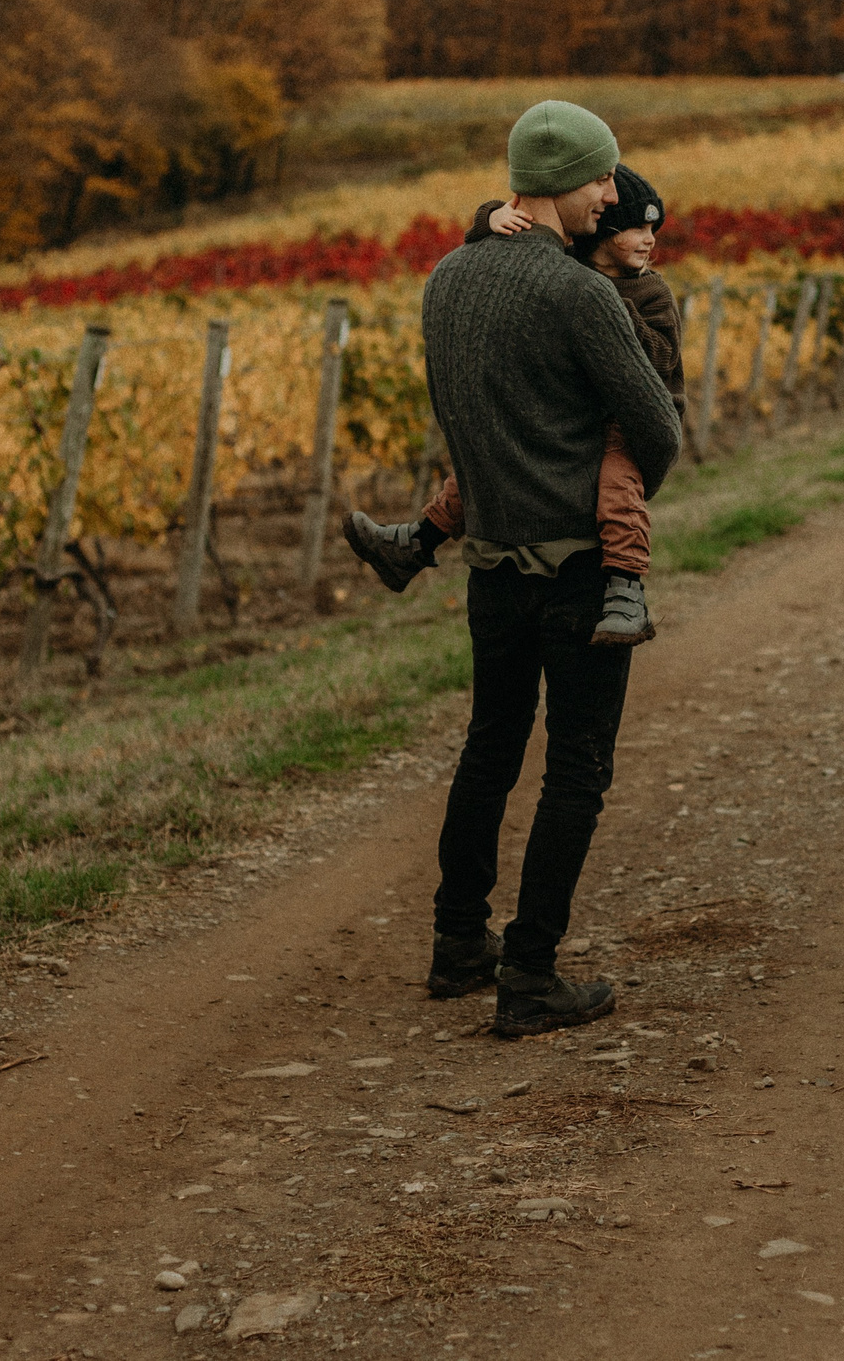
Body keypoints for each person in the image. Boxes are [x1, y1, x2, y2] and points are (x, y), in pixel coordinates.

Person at [395, 101, 681, 1036]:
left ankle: (457, 943)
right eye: (605, 177)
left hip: (490, 569)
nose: (612, 192)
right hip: (581, 569)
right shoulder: (580, 294)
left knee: (490, 745)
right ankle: (530, 974)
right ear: (569, 181)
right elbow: (658, 426)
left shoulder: (446, 278)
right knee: (576, 769)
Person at [345, 165, 682, 647]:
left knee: (617, 489)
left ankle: (626, 587)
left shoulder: (650, 291)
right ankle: (415, 543)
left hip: (631, 418)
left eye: (655, 229)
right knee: (481, 467)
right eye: (636, 228)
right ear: (602, 231)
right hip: (577, 410)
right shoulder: (571, 267)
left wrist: (609, 309)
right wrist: (489, 218)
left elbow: (661, 358)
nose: (649, 240)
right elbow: (527, 228)